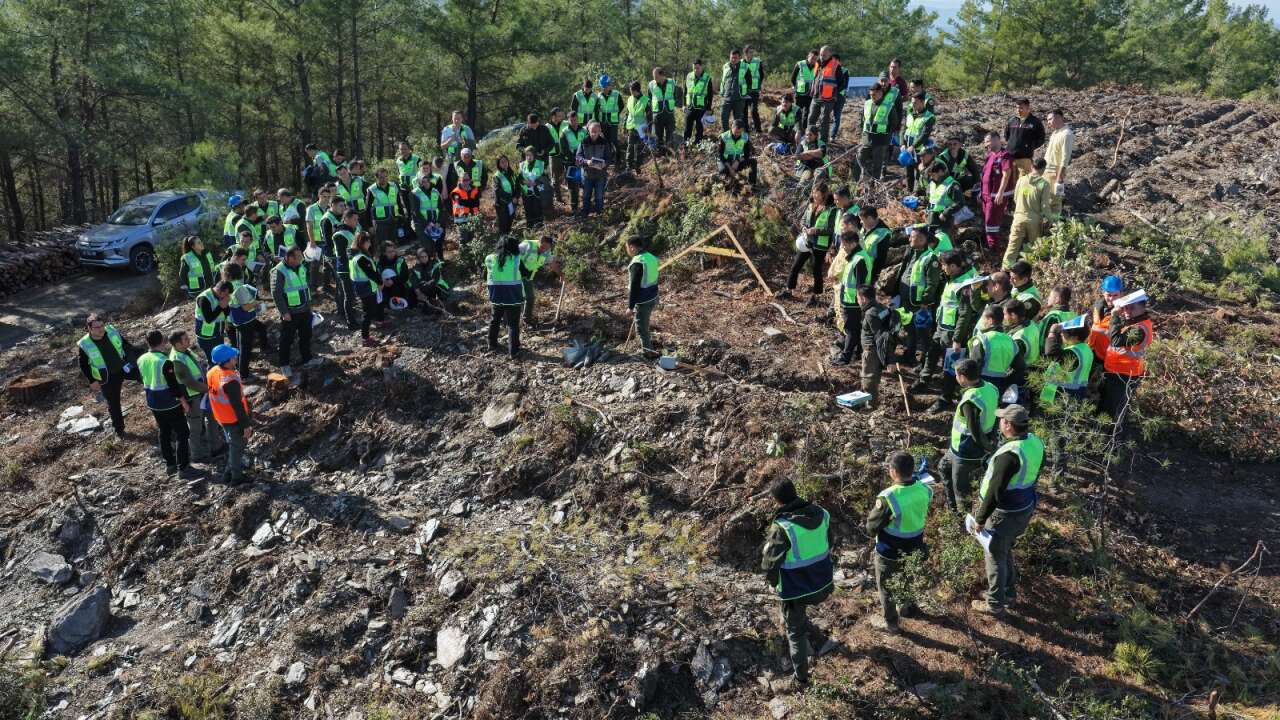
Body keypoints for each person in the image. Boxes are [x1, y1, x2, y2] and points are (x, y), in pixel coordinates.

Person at [760, 477, 833, 686]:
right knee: (798, 617)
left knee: (795, 633)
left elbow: (770, 565)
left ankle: (801, 679)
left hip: (795, 591)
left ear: (776, 500)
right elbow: (831, 541)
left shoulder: (782, 527)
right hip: (823, 583)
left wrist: (772, 583)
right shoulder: (823, 514)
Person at [971, 405, 1042, 615]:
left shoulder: (1010, 455)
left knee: (994, 556)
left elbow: (995, 490)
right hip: (1023, 508)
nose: (999, 422)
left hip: (1004, 514)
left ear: (1008, 425)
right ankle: (1008, 593)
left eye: (1002, 419)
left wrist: (981, 518)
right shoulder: (1035, 442)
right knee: (1004, 551)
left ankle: (995, 603)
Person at [867, 451, 931, 633]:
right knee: (907, 579)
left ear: (893, 471)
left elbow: (871, 528)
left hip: (889, 552)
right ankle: (907, 608)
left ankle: (891, 623)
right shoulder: (925, 489)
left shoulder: (889, 497)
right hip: (916, 548)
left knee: (886, 588)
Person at [137, 329, 198, 478]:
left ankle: (170, 464)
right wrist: (184, 401)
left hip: (153, 403)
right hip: (170, 403)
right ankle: (183, 467)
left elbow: (142, 378)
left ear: (147, 342)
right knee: (182, 433)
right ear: (163, 342)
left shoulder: (142, 359)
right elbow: (173, 385)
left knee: (164, 432)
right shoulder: (165, 362)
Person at [940, 358, 997, 513]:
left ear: (963, 378)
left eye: (957, 375)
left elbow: (975, 431)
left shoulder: (970, 400)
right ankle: (952, 509)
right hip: (958, 449)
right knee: (943, 468)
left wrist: (990, 448)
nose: (956, 378)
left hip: (966, 451)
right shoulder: (991, 387)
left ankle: (960, 520)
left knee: (961, 490)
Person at [931, 250, 983, 412]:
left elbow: (964, 314)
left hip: (953, 333)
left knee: (950, 366)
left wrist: (957, 338)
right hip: (943, 328)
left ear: (953, 266)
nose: (942, 268)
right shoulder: (953, 278)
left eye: (944, 265)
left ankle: (945, 397)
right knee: (939, 359)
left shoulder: (964, 284)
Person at [76, 315, 140, 437]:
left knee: (147, 379)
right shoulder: (85, 344)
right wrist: (92, 380)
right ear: (89, 328)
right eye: (97, 327)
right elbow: (83, 364)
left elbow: (126, 346)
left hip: (124, 368)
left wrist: (132, 362)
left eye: (102, 325)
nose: (101, 329)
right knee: (114, 404)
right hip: (107, 377)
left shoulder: (111, 332)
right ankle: (119, 431)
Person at [1098, 289, 1153, 429]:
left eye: (1132, 307)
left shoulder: (1140, 329)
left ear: (1142, 307)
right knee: (1106, 406)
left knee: (1113, 411)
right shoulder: (1133, 322)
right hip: (1116, 372)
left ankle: (1110, 440)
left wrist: (1115, 316)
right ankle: (1102, 433)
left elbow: (1116, 340)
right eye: (1125, 307)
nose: (1127, 310)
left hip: (1124, 376)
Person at [169, 329, 224, 464]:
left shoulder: (186, 351)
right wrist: (209, 389)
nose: (189, 340)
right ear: (177, 344)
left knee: (212, 419)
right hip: (193, 398)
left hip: (203, 394)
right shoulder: (176, 359)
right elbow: (189, 382)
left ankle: (215, 447)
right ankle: (197, 455)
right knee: (195, 427)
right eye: (185, 339)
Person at [897, 226, 943, 387]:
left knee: (923, 334)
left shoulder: (931, 258)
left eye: (913, 237)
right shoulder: (910, 252)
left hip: (919, 304)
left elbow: (932, 283)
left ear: (923, 239)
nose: (910, 239)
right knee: (908, 327)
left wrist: (925, 302)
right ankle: (909, 354)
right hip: (905, 300)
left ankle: (924, 364)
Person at [780, 183, 836, 306]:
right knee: (795, 266)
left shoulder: (832, 210)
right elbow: (803, 220)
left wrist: (815, 231)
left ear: (824, 195)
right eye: (813, 193)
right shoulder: (811, 205)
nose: (814, 196)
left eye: (817, 194)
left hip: (820, 245)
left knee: (816, 270)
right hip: (807, 242)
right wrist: (804, 227)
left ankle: (816, 297)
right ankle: (789, 290)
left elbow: (831, 230)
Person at [206, 344, 253, 485]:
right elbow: (237, 407)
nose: (236, 357)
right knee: (237, 447)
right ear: (228, 360)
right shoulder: (230, 381)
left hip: (222, 417)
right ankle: (236, 478)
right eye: (233, 356)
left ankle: (227, 474)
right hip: (234, 420)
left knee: (235, 445)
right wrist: (246, 426)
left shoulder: (212, 371)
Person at [271, 246, 315, 375]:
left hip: (304, 309)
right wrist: (284, 312)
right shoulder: (278, 271)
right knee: (287, 339)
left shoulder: (301, 266)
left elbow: (303, 286)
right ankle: (284, 365)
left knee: (306, 335)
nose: (301, 260)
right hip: (290, 313)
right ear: (290, 258)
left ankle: (307, 359)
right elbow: (276, 294)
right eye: (298, 257)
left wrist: (309, 306)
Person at [833, 235, 874, 366]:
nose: (843, 247)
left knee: (851, 329)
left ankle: (846, 357)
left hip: (854, 302)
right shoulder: (855, 257)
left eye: (844, 245)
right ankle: (857, 352)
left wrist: (860, 302)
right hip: (850, 299)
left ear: (853, 243)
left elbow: (860, 284)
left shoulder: (859, 260)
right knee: (855, 328)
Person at [969, 305, 1024, 402]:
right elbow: (1020, 367)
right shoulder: (1011, 341)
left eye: (983, 318)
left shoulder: (982, 339)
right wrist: (1007, 381)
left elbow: (974, 366)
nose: (981, 321)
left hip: (982, 384)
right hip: (1001, 384)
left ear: (990, 320)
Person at [1004, 158, 1050, 268]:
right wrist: (1050, 219)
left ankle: (1005, 269)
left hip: (1018, 218)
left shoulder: (1021, 180)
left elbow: (1015, 198)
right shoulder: (1044, 184)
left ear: (1032, 167)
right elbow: (1045, 206)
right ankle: (1031, 271)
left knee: (1012, 247)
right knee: (1034, 248)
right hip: (1034, 221)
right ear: (1043, 169)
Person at [225, 263, 267, 380]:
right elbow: (245, 307)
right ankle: (244, 374)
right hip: (246, 321)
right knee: (245, 348)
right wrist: (255, 303)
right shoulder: (240, 288)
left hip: (237, 321)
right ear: (240, 273)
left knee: (239, 346)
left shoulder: (228, 286)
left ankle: (239, 368)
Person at [485, 235, 525, 359]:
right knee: (513, 324)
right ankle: (514, 351)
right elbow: (526, 274)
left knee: (495, 320)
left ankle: (492, 344)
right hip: (513, 297)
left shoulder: (490, 258)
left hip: (496, 296)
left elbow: (484, 275)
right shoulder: (517, 259)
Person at [859, 285, 897, 406]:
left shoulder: (871, 313)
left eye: (857, 298)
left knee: (868, 381)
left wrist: (890, 360)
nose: (857, 301)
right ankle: (870, 403)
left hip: (871, 352)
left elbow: (883, 337)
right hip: (876, 351)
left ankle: (870, 407)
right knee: (872, 380)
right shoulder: (881, 307)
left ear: (863, 298)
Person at [349, 232, 389, 346]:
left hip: (363, 287)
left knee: (376, 305)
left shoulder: (356, 255)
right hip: (365, 288)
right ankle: (365, 337)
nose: (370, 243)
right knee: (368, 312)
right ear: (363, 242)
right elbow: (371, 273)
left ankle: (379, 321)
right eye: (368, 241)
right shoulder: (361, 258)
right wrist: (380, 282)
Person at [625, 236, 661, 357]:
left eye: (627, 248)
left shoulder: (638, 262)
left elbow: (635, 286)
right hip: (653, 296)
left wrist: (630, 307)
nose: (627, 251)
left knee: (641, 327)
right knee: (644, 324)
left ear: (632, 247)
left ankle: (648, 353)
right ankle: (644, 346)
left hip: (643, 299)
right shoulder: (651, 257)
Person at [980, 132, 1014, 250]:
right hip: (985, 194)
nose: (986, 144)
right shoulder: (990, 155)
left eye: (988, 141)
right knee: (987, 220)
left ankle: (994, 247)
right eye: (985, 141)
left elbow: (1006, 174)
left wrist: (1000, 192)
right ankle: (989, 243)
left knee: (992, 221)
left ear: (997, 140)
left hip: (996, 196)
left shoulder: (1004, 155)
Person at [1003, 301, 1039, 406]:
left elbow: (1015, 364)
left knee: (1012, 407)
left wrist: (1005, 380)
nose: (1004, 317)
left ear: (1013, 315)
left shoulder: (1019, 338)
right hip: (1033, 368)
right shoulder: (1031, 324)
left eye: (1005, 314)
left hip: (1019, 376)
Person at [1003, 98, 1045, 188]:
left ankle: (1023, 201)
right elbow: (1006, 135)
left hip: (1025, 159)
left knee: (1024, 183)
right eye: (1017, 107)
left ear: (1028, 108)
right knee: (1011, 183)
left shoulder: (1035, 122)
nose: (1018, 110)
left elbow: (1041, 138)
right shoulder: (1012, 120)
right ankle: (1012, 201)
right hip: (1010, 158)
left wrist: (1030, 146)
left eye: (1021, 108)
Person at [331, 209, 361, 328]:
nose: (356, 222)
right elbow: (342, 254)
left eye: (357, 219)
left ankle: (353, 315)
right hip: (345, 268)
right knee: (348, 295)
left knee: (352, 294)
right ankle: (351, 322)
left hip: (353, 266)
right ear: (346, 219)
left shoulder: (352, 230)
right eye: (355, 219)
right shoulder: (340, 234)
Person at [576, 121, 613, 217]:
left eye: (596, 131)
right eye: (592, 131)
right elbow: (578, 157)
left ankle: (600, 214)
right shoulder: (584, 141)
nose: (593, 134)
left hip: (600, 175)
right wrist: (586, 161)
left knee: (599, 196)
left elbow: (609, 158)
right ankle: (585, 213)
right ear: (588, 130)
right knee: (586, 195)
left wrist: (605, 163)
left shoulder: (604, 142)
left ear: (600, 131)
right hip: (587, 174)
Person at [1043, 108, 1074, 222]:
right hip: (1046, 171)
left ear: (1060, 118)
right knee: (1046, 199)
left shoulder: (1067, 134)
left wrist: (1059, 178)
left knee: (1055, 201)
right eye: (1047, 120)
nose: (1048, 122)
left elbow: (1065, 158)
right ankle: (1047, 222)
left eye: (1050, 119)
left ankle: (1054, 225)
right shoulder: (1055, 133)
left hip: (1056, 173)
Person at [901, 92, 936, 192]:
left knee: (919, 172)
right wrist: (902, 143)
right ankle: (909, 191)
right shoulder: (910, 113)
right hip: (907, 149)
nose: (913, 105)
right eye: (912, 102)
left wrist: (913, 146)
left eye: (915, 103)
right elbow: (903, 129)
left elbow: (924, 135)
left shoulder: (929, 117)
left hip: (920, 151)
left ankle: (918, 193)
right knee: (908, 172)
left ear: (922, 102)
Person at [519, 235, 557, 325]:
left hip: (528, 278)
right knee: (516, 298)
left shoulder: (546, 251)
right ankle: (508, 321)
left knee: (530, 298)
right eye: (543, 247)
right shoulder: (527, 245)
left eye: (547, 248)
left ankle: (526, 320)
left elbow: (552, 263)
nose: (544, 250)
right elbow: (511, 255)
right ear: (539, 241)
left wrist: (561, 275)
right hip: (515, 276)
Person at [366, 167, 405, 251]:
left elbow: (399, 202)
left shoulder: (394, 186)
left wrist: (402, 215)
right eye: (381, 177)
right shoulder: (372, 189)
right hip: (380, 222)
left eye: (386, 176)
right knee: (382, 245)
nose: (384, 179)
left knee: (393, 243)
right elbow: (368, 209)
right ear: (376, 178)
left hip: (394, 219)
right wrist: (369, 225)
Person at [194, 282, 232, 362]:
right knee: (213, 361)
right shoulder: (204, 298)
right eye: (226, 294)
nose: (227, 296)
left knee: (220, 358)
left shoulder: (220, 296)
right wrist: (221, 306)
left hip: (218, 333)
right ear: (219, 291)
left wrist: (225, 305)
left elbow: (226, 312)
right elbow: (209, 319)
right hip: (206, 337)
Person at [558, 112, 587, 215]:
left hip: (583, 162)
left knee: (585, 183)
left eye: (575, 119)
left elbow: (587, 144)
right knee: (573, 186)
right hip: (571, 163)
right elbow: (564, 149)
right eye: (571, 120)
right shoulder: (564, 133)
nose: (574, 121)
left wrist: (582, 158)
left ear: (578, 119)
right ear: (568, 120)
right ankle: (574, 207)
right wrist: (574, 159)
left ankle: (586, 204)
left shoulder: (584, 131)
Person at [811, 46, 841, 142]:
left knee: (824, 121)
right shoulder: (818, 63)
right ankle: (809, 138)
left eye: (824, 55)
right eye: (820, 54)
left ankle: (823, 141)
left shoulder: (836, 66)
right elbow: (815, 78)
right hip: (816, 96)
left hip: (828, 99)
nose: (821, 56)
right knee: (811, 118)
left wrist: (833, 93)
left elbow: (842, 83)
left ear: (829, 54)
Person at [410, 173, 444, 257]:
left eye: (427, 181)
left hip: (435, 224)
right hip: (422, 225)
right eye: (423, 181)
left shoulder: (435, 191)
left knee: (438, 245)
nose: (425, 183)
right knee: (427, 247)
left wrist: (439, 222)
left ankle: (440, 263)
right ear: (420, 182)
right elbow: (415, 212)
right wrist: (427, 224)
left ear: (430, 181)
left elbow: (440, 208)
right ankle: (428, 265)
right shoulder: (415, 193)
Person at [716, 120, 758, 188]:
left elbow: (747, 154)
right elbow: (720, 156)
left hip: (737, 162)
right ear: (731, 128)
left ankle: (752, 185)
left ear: (742, 130)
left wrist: (737, 161)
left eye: (739, 132)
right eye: (735, 132)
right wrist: (730, 168)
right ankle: (726, 185)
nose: (737, 134)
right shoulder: (724, 137)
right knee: (723, 171)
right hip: (725, 161)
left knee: (753, 161)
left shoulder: (745, 137)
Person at [259, 216, 296, 288]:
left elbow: (302, 245)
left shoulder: (292, 230)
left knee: (293, 284)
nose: (272, 230)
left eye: (273, 227)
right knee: (279, 286)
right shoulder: (268, 235)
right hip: (277, 264)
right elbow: (265, 250)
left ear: (280, 224)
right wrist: (272, 257)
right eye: (270, 227)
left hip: (293, 263)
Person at [927, 160, 964, 231]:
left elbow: (959, 202)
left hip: (945, 219)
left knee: (943, 238)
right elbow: (932, 199)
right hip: (931, 218)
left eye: (933, 175)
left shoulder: (952, 185)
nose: (931, 177)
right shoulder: (932, 183)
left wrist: (945, 213)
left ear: (941, 172)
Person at [858, 206, 892, 285]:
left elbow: (881, 259)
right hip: (860, 267)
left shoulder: (884, 234)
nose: (860, 222)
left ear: (869, 218)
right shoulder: (865, 227)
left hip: (870, 273)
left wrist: (874, 278)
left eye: (862, 219)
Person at [684, 59, 714, 145]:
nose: (695, 70)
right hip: (690, 107)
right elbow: (685, 91)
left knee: (699, 127)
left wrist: (708, 108)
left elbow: (710, 94)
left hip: (701, 107)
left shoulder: (707, 78)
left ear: (701, 67)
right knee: (687, 128)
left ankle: (698, 143)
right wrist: (683, 105)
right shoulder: (689, 76)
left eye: (697, 68)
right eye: (694, 68)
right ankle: (686, 144)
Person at [624, 81, 652, 173]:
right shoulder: (630, 99)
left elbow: (649, 117)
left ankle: (638, 168)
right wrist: (625, 126)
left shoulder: (646, 100)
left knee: (639, 149)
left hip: (641, 128)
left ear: (636, 90)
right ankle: (628, 167)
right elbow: (627, 113)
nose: (630, 92)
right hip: (631, 127)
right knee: (630, 147)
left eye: (631, 90)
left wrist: (649, 131)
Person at [648, 67, 678, 151]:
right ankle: (660, 153)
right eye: (653, 77)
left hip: (669, 113)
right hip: (657, 114)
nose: (654, 79)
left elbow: (676, 95)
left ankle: (670, 152)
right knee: (658, 135)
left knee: (670, 133)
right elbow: (650, 99)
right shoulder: (651, 85)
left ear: (662, 75)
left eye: (656, 77)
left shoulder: (672, 83)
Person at [519, 145, 548, 228]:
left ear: (534, 155)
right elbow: (519, 178)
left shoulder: (540, 164)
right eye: (527, 155)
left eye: (530, 155)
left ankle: (539, 227)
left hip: (537, 191)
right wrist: (524, 181)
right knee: (528, 211)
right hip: (526, 192)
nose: (528, 157)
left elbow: (545, 178)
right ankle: (530, 228)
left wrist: (536, 182)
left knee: (538, 209)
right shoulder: (522, 165)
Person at [451, 172, 482, 250]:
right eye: (463, 180)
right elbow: (462, 202)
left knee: (472, 237)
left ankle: (471, 256)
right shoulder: (455, 192)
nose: (465, 182)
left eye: (467, 180)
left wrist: (470, 203)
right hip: (461, 218)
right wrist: (472, 202)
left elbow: (477, 203)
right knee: (463, 238)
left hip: (472, 216)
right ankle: (463, 256)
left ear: (470, 180)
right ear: (459, 180)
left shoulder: (475, 189)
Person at [719, 49, 748, 130]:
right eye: (732, 57)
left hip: (739, 98)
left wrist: (744, 93)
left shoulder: (745, 67)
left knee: (738, 121)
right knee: (723, 118)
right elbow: (723, 80)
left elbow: (749, 82)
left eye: (735, 58)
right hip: (726, 97)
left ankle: (737, 137)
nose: (733, 59)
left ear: (739, 58)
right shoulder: (725, 66)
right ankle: (725, 136)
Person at [790, 49, 818, 130]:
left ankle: (804, 130)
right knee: (797, 112)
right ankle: (794, 129)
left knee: (807, 113)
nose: (813, 60)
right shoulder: (800, 64)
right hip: (799, 94)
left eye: (815, 59)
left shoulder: (817, 66)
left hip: (810, 94)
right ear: (808, 56)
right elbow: (793, 78)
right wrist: (795, 89)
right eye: (812, 58)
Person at [379, 243, 412, 312]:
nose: (392, 253)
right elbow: (377, 275)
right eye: (389, 252)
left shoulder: (400, 261)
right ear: (384, 253)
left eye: (393, 251)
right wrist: (383, 281)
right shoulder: (379, 263)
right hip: (384, 285)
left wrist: (393, 280)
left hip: (399, 286)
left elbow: (404, 277)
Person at [597, 75, 624, 152]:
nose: (604, 88)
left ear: (609, 85)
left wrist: (616, 113)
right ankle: (609, 158)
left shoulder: (616, 94)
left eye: (606, 86)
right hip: (603, 121)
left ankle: (618, 158)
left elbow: (621, 105)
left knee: (613, 140)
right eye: (603, 87)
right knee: (606, 140)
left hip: (613, 121)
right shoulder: (598, 96)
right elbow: (597, 108)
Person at [545, 107, 566, 205]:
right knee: (555, 178)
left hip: (565, 154)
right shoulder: (547, 127)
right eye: (559, 116)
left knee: (568, 174)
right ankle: (558, 198)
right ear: (553, 116)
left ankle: (571, 194)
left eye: (562, 115)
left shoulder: (565, 124)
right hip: (553, 156)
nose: (561, 117)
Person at [829, 54, 851, 138]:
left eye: (835, 60)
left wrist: (835, 91)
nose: (833, 62)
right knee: (825, 115)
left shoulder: (844, 70)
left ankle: (832, 135)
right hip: (829, 95)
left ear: (839, 61)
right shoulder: (828, 69)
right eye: (832, 60)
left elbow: (845, 85)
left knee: (836, 116)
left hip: (839, 96)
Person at [742, 46, 763, 133]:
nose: (752, 54)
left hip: (754, 91)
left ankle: (758, 130)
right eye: (750, 52)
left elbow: (761, 75)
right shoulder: (741, 63)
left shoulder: (758, 62)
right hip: (744, 91)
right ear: (745, 53)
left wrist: (759, 86)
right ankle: (746, 130)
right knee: (744, 112)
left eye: (752, 52)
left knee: (754, 111)